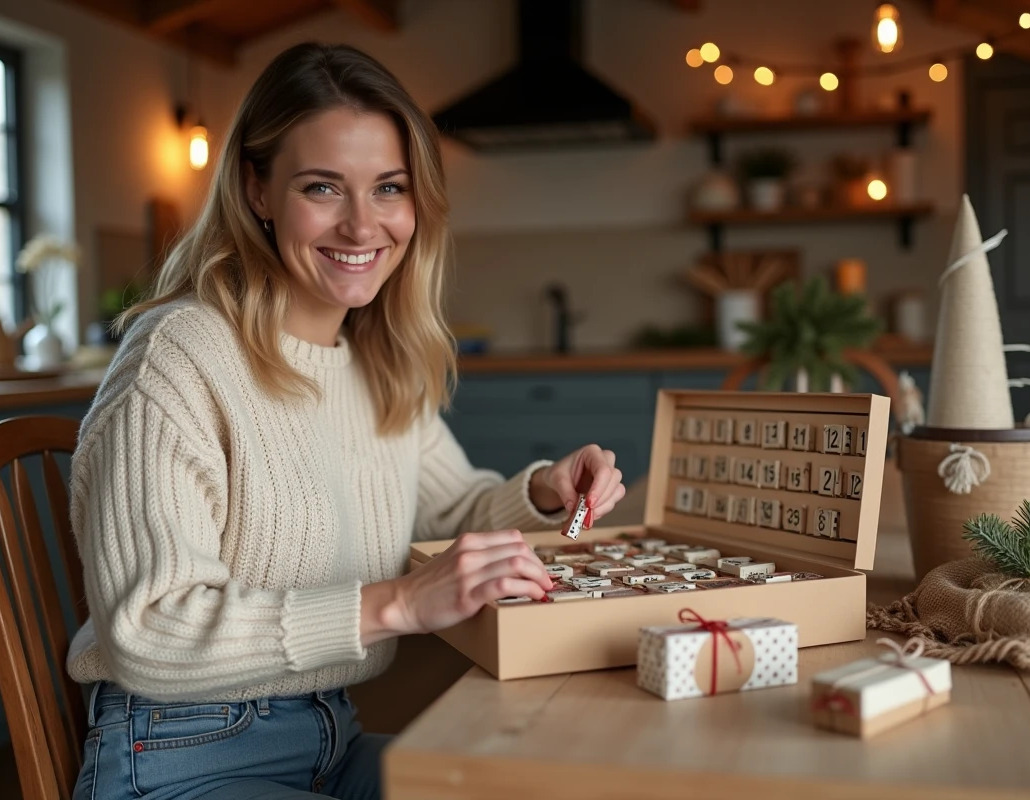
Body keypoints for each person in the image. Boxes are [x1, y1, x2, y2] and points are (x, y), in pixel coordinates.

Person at [67, 42, 626, 800]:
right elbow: (151, 629)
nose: (363, 227)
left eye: (388, 188)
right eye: (324, 187)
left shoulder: (373, 359)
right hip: (176, 755)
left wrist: (545, 495)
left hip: (328, 732)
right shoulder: (180, 352)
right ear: (257, 189)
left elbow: (453, 510)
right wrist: (396, 603)